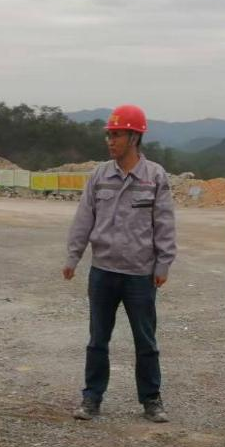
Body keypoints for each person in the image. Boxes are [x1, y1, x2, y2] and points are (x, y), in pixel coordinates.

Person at [63, 104, 177, 423]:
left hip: (140, 275)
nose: (110, 141)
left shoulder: (155, 176)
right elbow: (84, 218)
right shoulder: (100, 175)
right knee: (98, 340)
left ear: (134, 137)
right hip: (103, 273)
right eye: (109, 135)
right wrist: (73, 256)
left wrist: (163, 264)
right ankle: (92, 397)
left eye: (116, 135)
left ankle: (151, 398)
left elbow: (164, 223)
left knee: (146, 340)